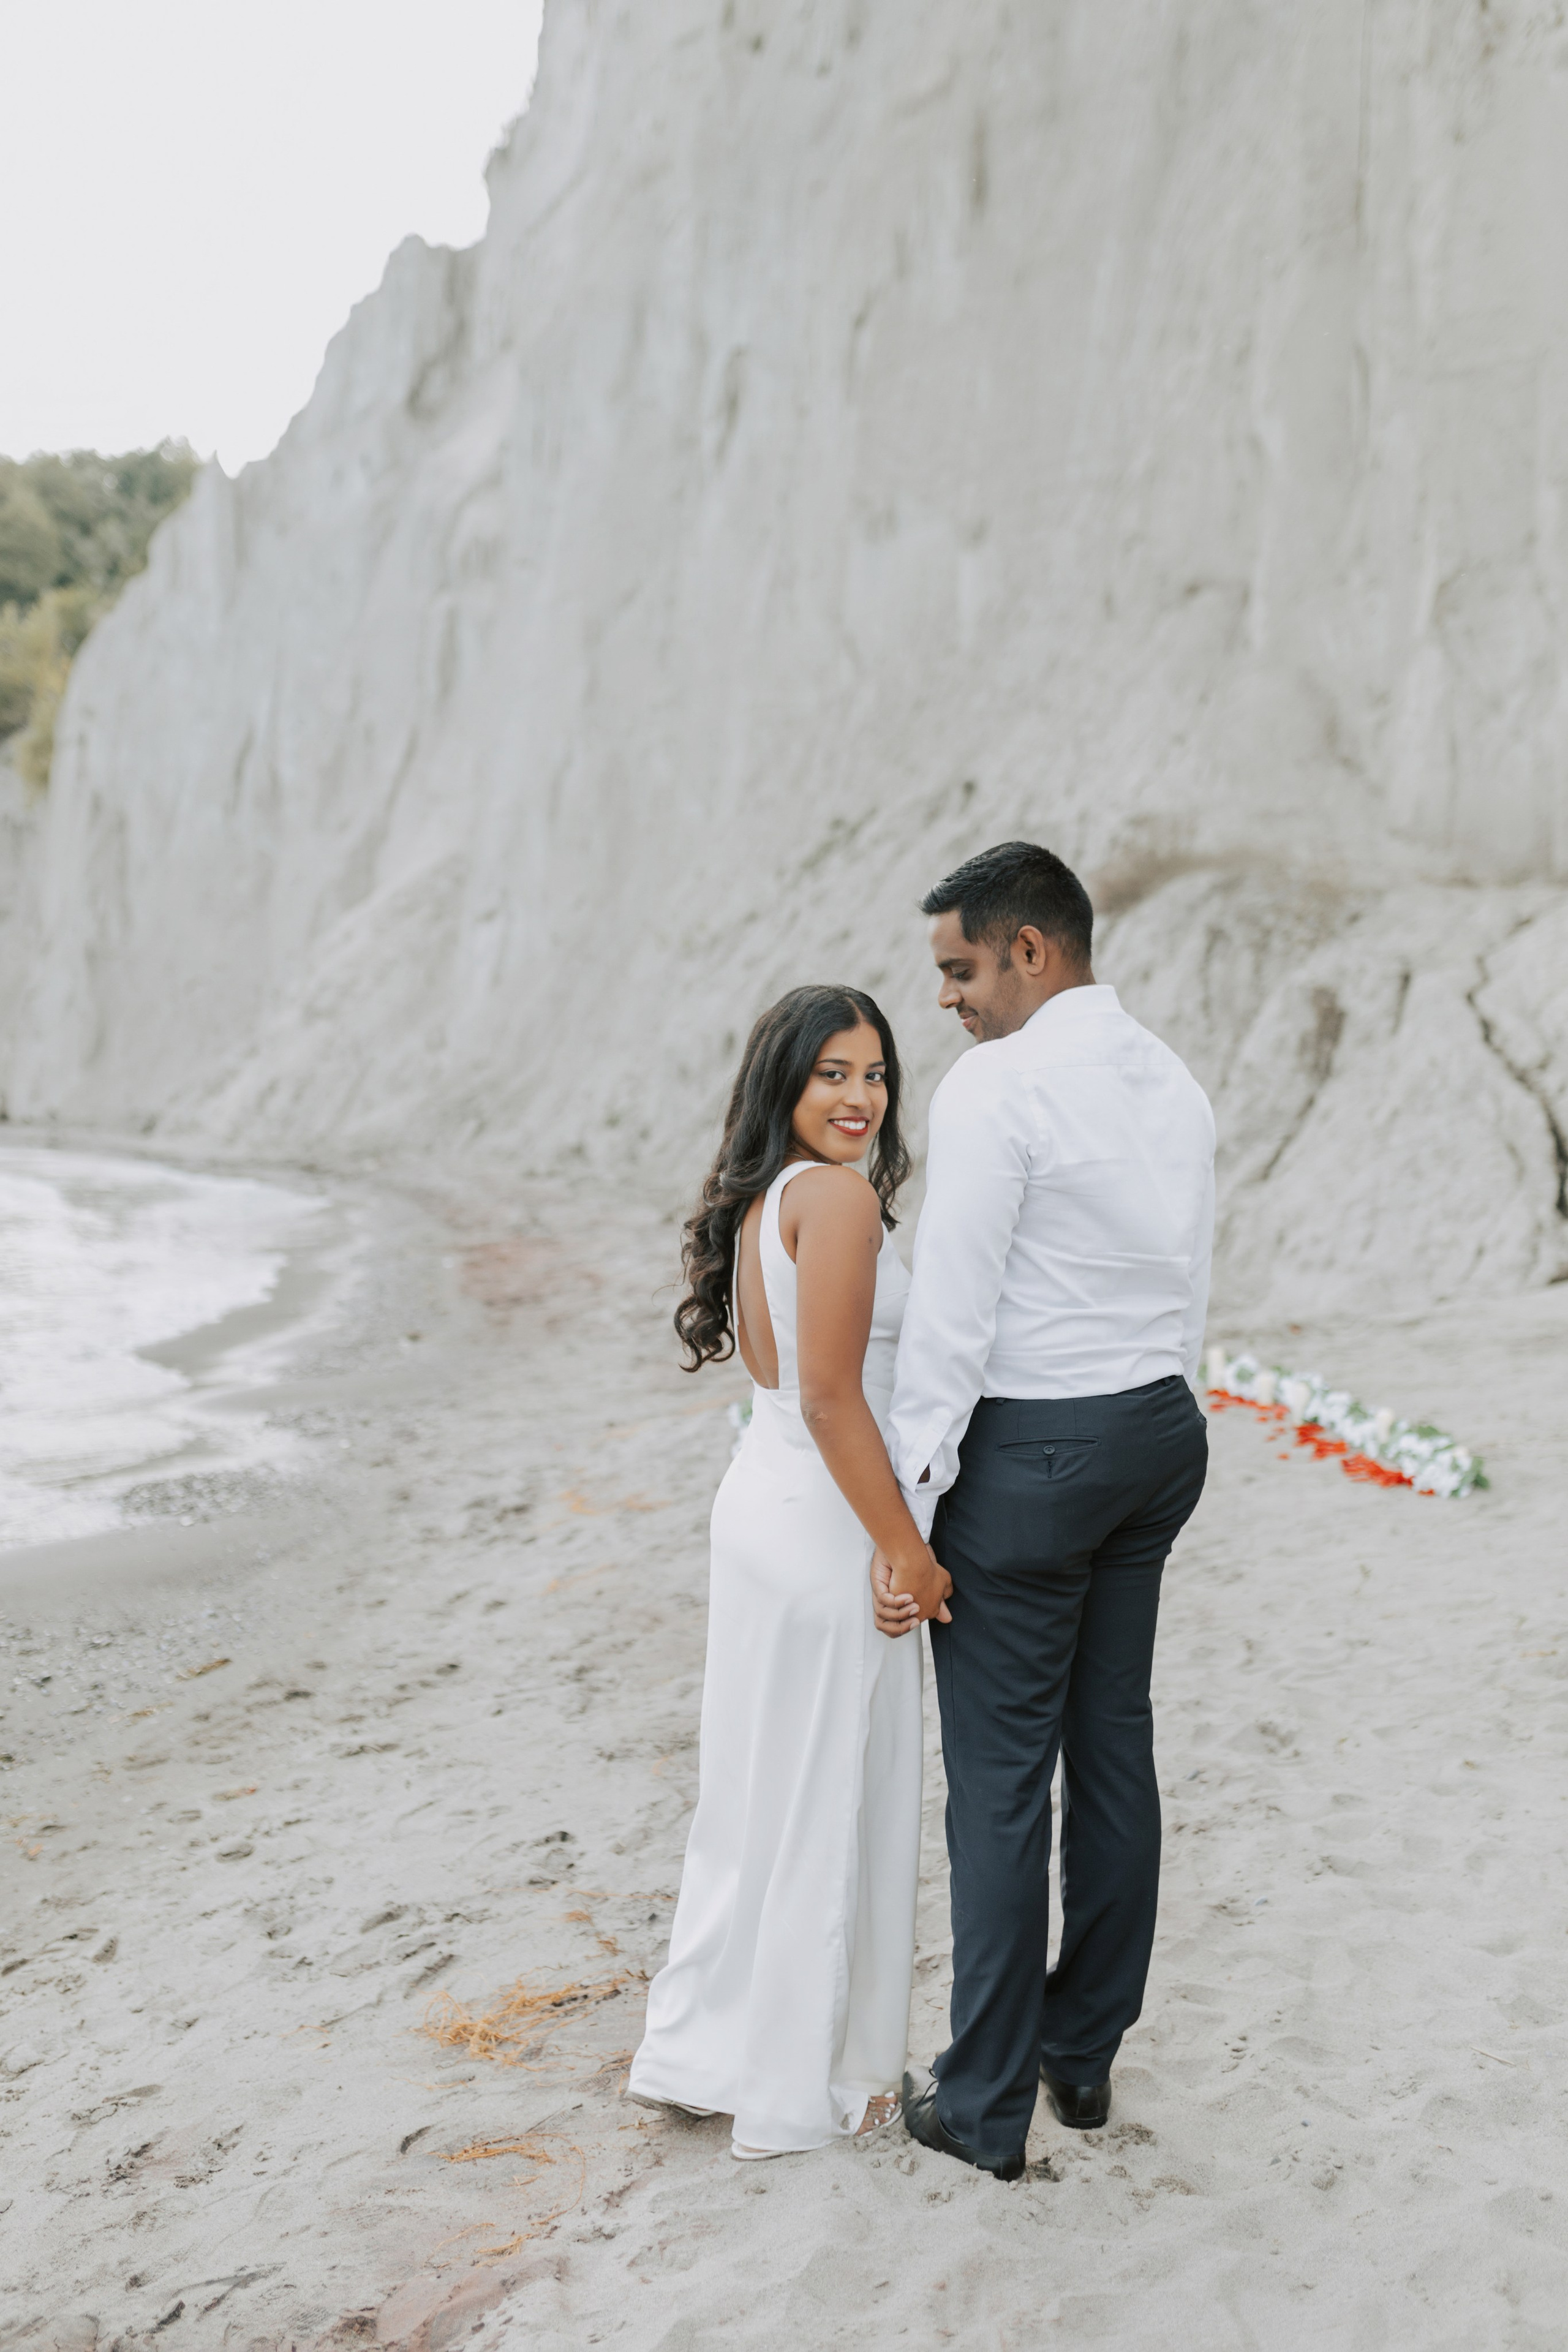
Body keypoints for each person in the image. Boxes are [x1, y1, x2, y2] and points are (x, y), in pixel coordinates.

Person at [874, 840, 1214, 2181]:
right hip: (1153, 1430)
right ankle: (1079, 2057)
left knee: (1002, 1784)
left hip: (1033, 1455)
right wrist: (1165, 1407)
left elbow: (951, 1322)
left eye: (959, 968)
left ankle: (980, 2103)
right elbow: (1185, 1274)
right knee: (1111, 1744)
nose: (947, 1000)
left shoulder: (997, 1087)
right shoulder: (1167, 1077)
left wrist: (905, 1517)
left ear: (1031, 949)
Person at [628, 984, 944, 2160]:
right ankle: (804, 2074)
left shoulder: (768, 1200)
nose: (862, 1098)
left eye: (875, 1076)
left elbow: (793, 1394)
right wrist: (908, 1549)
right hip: (824, 1521)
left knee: (754, 1793)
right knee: (827, 1793)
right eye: (834, 1075)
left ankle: (704, 2048)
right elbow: (831, 1397)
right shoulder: (841, 1201)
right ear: (787, 1085)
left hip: (759, 1505)